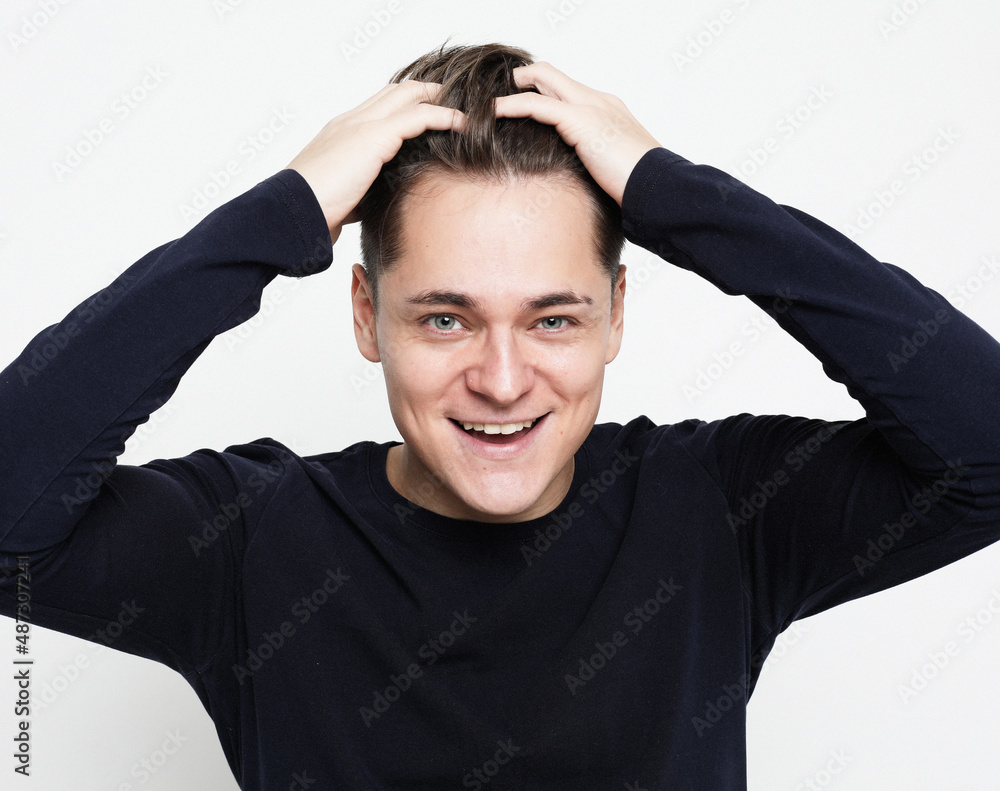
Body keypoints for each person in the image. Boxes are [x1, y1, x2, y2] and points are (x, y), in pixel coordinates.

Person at [1, 41, 998, 790]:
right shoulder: (248, 540)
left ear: (615, 314)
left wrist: (674, 194)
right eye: (446, 316)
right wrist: (286, 210)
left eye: (552, 316)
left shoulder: (720, 512)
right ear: (366, 314)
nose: (504, 377)